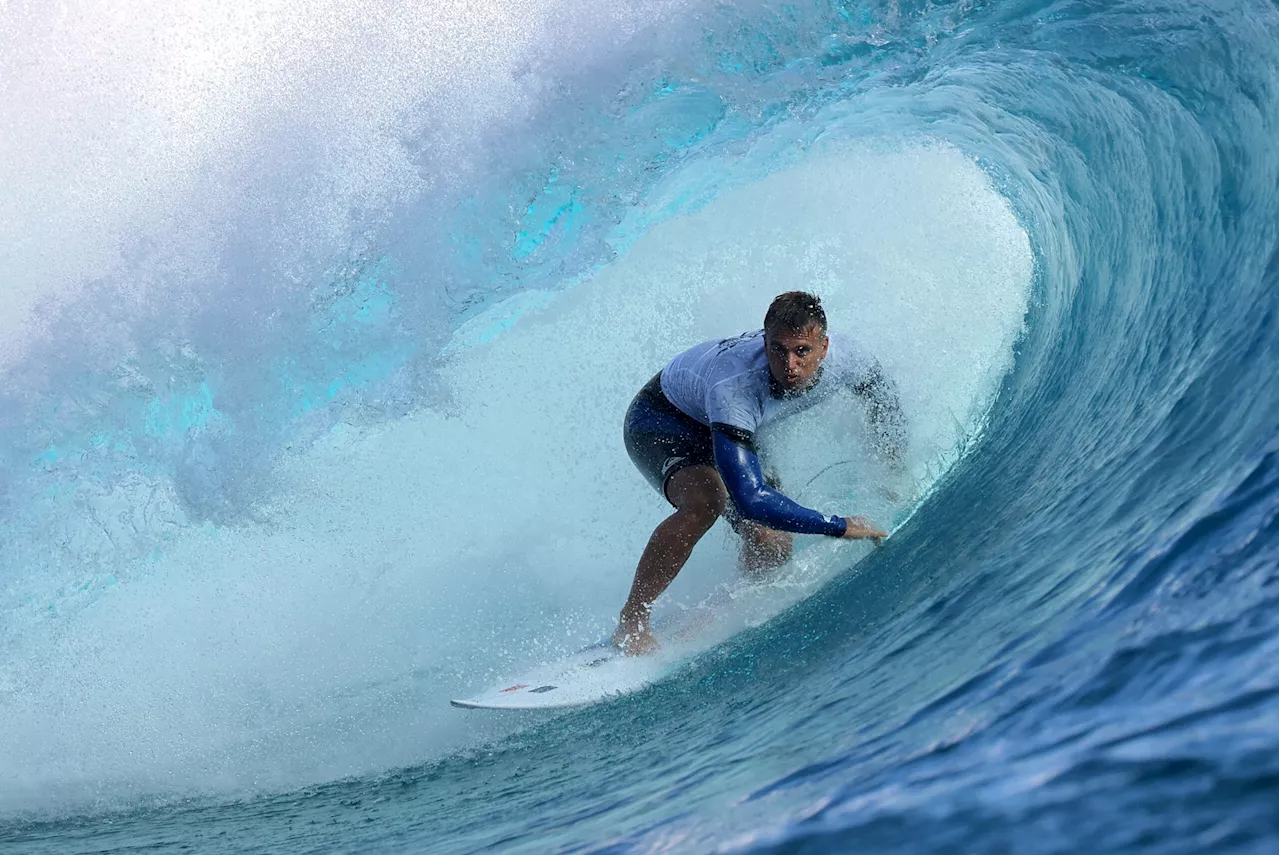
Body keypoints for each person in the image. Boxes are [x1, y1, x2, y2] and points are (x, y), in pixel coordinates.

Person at [614, 291, 907, 655]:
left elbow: (883, 401)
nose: (789, 365)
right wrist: (841, 526)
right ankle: (632, 618)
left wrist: (893, 470)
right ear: (764, 342)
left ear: (824, 347)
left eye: (802, 351)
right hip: (663, 420)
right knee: (706, 501)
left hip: (728, 425)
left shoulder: (850, 358)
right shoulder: (736, 388)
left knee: (772, 542)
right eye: (778, 350)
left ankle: (734, 601)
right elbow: (750, 500)